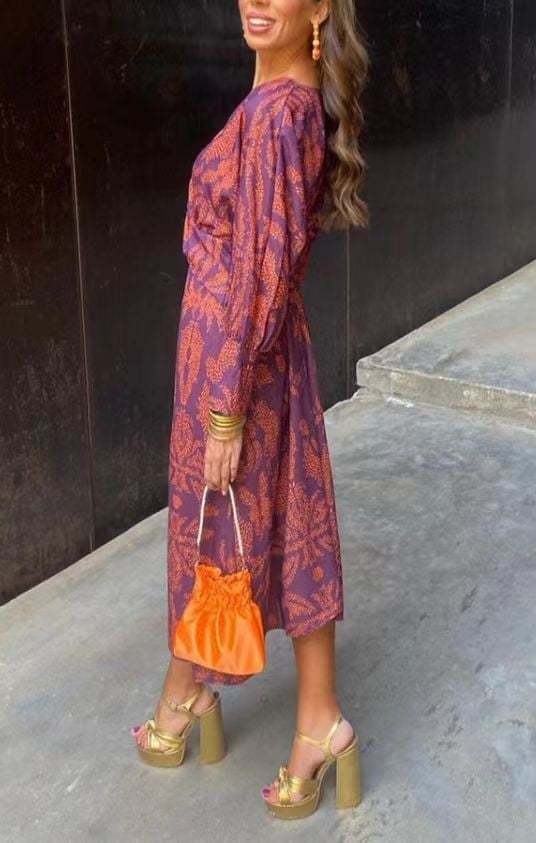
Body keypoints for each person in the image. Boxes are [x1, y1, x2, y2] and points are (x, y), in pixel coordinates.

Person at [131, 0, 370, 820]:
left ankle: (186, 696)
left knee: (217, 527)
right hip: (259, 349)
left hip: (234, 359)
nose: (256, 0)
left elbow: (257, 274)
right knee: (285, 520)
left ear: (322, 6)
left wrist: (226, 407)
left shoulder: (277, 116)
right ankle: (316, 717)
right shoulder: (283, 100)